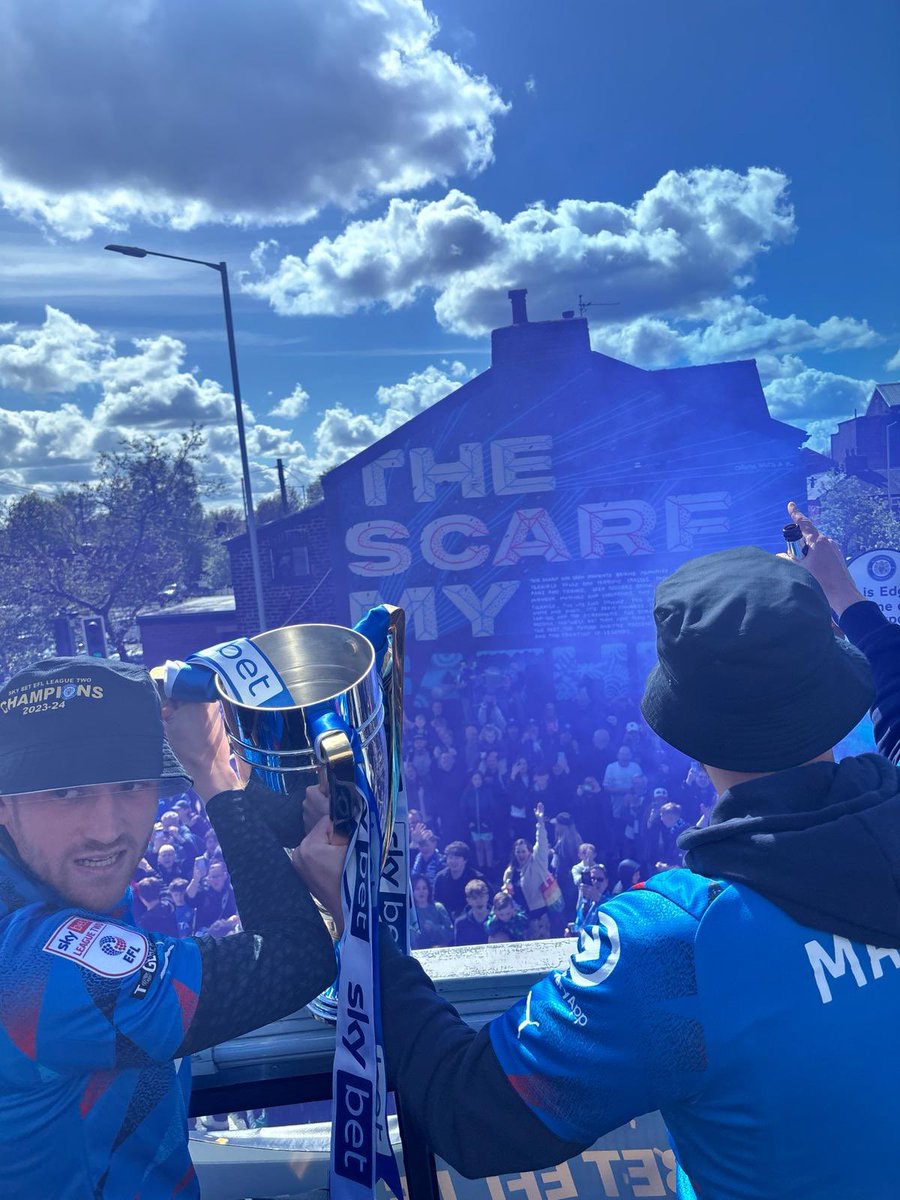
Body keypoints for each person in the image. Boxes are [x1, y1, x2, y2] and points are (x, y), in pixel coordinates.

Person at [296, 539, 900, 1199]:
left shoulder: (673, 944)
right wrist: (846, 600)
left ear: (683, 730)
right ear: (838, 686)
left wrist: (358, 918)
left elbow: (474, 1113)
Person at [0, 658, 335, 1198]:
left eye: (132, 784)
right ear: (4, 804)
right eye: (66, 793)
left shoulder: (47, 892)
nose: (106, 828)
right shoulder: (34, 971)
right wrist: (214, 775)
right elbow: (294, 958)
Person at [502, 804, 551, 939]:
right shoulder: (510, 872)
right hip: (520, 919)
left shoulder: (537, 863)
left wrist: (540, 822)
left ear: (529, 852)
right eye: (518, 852)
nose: (521, 854)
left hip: (539, 918)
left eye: (524, 851)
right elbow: (506, 892)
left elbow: (541, 842)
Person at [433, 840, 482, 920]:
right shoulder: (440, 878)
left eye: (457, 858)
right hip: (446, 919)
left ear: (465, 860)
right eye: (450, 858)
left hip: (470, 919)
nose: (453, 861)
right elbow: (436, 901)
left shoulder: (477, 878)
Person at [410, 873, 453, 950]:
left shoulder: (438, 908)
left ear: (429, 890)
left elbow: (450, 934)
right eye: (417, 889)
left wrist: (434, 928)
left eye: (424, 888)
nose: (421, 891)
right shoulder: (410, 912)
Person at [453, 879, 491, 946]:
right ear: (468, 901)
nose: (479, 901)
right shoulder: (461, 924)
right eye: (474, 898)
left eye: (481, 896)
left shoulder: (497, 919)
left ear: (487, 897)